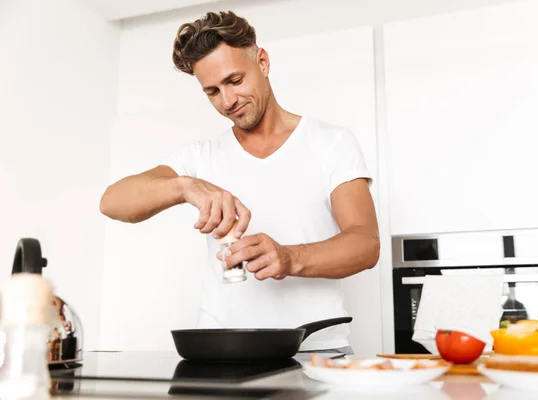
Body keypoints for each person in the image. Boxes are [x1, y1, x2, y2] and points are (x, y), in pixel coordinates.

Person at [99, 10, 380, 354]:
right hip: (222, 353)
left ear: (262, 62)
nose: (228, 101)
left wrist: (290, 258)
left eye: (235, 81)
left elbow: (366, 244)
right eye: (212, 91)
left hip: (317, 351)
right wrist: (185, 186)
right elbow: (112, 202)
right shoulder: (202, 157)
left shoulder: (331, 143)